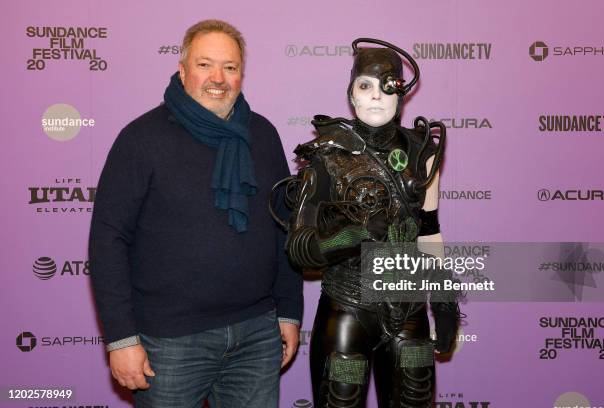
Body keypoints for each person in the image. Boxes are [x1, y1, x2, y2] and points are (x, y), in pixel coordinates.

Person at [89, 19, 302, 408]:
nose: (217, 78)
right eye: (205, 65)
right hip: (169, 342)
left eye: (230, 67)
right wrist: (121, 339)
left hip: (256, 333)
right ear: (183, 70)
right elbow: (108, 239)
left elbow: (284, 230)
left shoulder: (263, 135)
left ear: (242, 74)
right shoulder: (141, 139)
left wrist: (288, 311)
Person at [269, 38, 460, 407]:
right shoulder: (326, 157)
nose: (375, 96)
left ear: (400, 94)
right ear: (352, 94)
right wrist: (353, 235)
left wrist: (444, 302)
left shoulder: (423, 154)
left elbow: (429, 231)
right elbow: (298, 248)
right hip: (347, 312)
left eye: (386, 86)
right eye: (365, 86)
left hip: (409, 310)